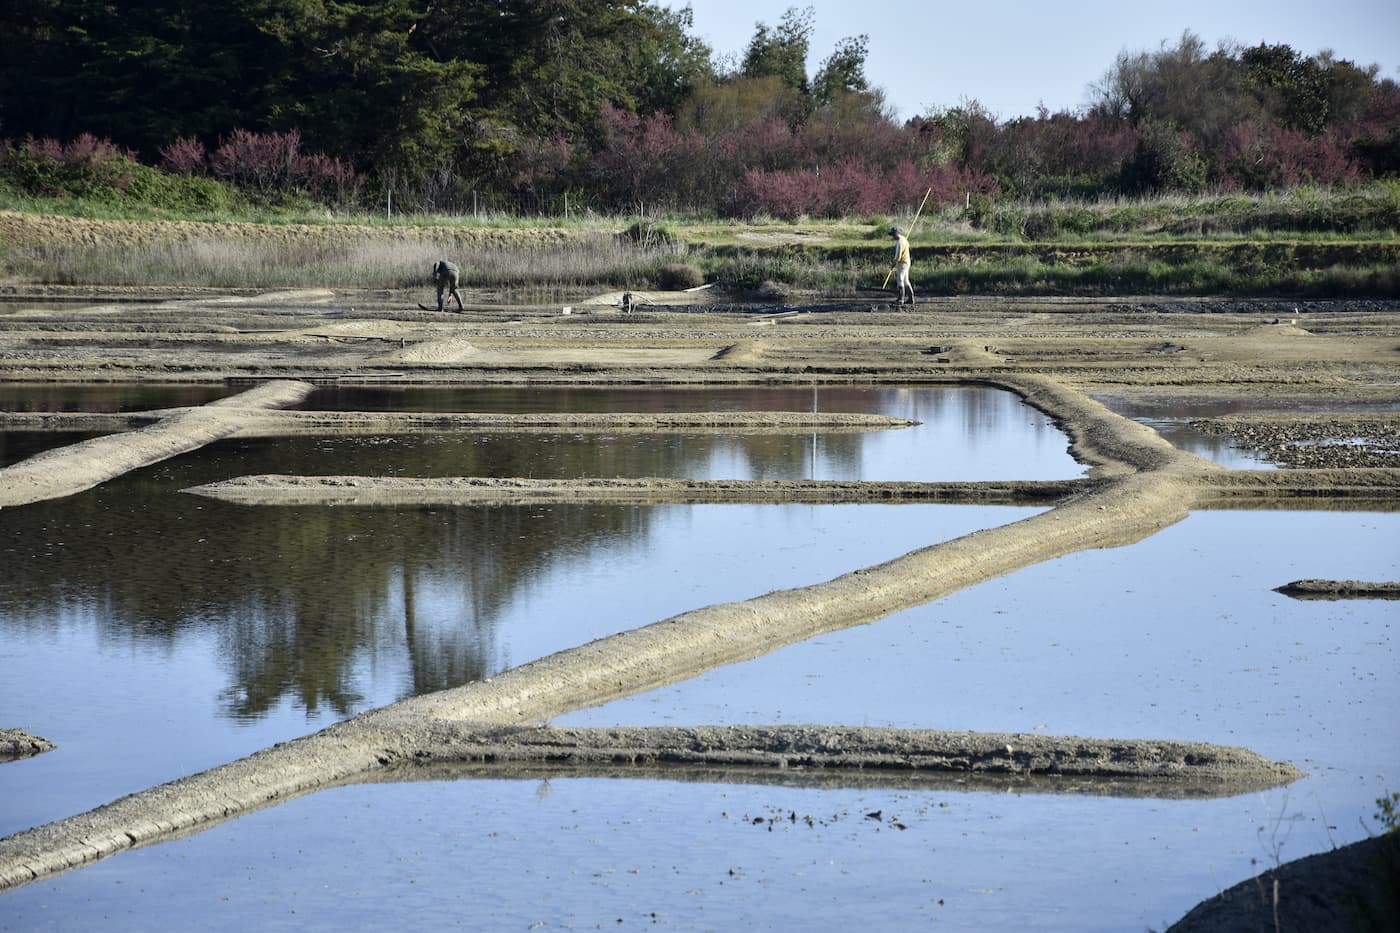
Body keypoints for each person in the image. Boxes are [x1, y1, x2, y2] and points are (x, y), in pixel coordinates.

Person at [890, 227, 914, 305]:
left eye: (893, 235)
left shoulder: (899, 242)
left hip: (902, 263)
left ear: (896, 234)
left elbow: (898, 255)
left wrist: (894, 264)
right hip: (907, 262)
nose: (892, 236)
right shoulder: (904, 239)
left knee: (900, 280)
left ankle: (900, 299)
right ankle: (911, 298)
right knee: (906, 281)